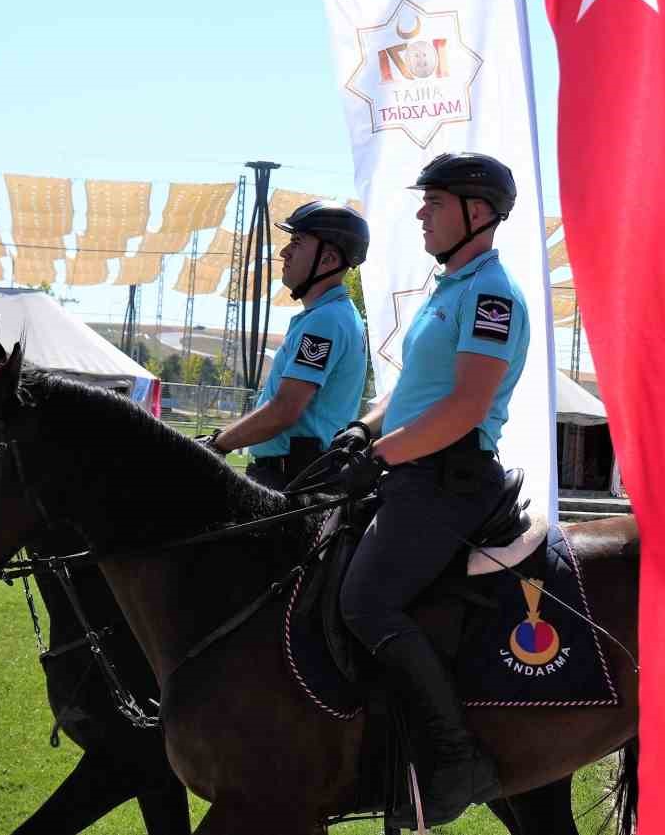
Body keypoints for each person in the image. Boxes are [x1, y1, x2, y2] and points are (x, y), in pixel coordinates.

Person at [333, 151, 529, 826]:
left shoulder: (492, 295)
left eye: (435, 202)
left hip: (450, 479)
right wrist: (361, 431)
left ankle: (454, 756)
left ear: (478, 214)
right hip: (413, 467)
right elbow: (416, 390)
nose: (421, 212)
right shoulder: (448, 288)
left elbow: (466, 406)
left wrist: (380, 455)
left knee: (365, 600)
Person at [198, 201, 369, 491]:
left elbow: (285, 409)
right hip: (294, 473)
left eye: (297, 242)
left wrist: (216, 444)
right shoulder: (330, 315)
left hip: (291, 479)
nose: (284, 252)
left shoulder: (325, 321)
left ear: (327, 260)